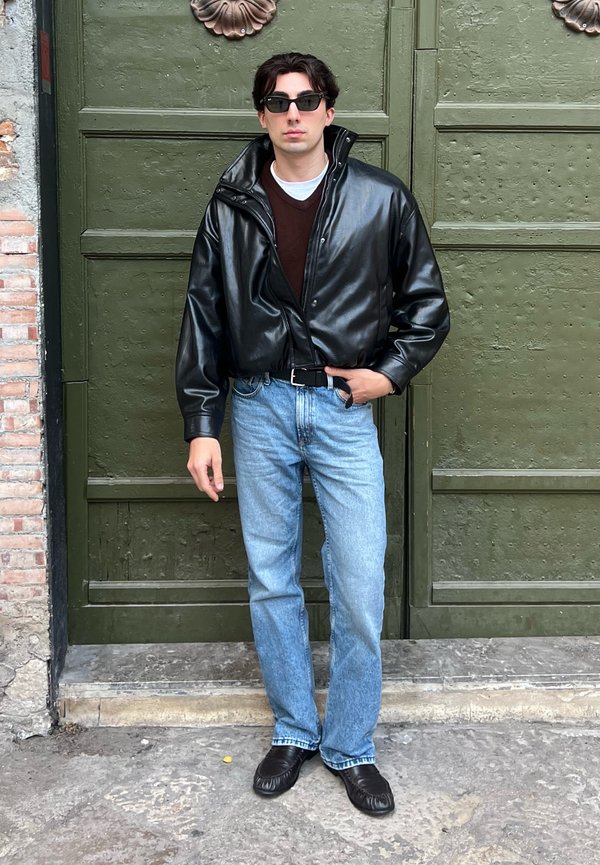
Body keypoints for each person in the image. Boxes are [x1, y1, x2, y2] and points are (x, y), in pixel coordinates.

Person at [176, 52, 449, 817]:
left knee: (360, 582)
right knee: (272, 577)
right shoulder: (231, 202)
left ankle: (351, 742)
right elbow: (202, 314)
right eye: (277, 101)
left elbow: (427, 306)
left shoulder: (379, 197)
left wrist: (387, 374)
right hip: (259, 404)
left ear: (329, 110)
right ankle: (295, 729)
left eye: (307, 99)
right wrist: (204, 423)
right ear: (261, 115)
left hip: (340, 409)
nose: (293, 112)